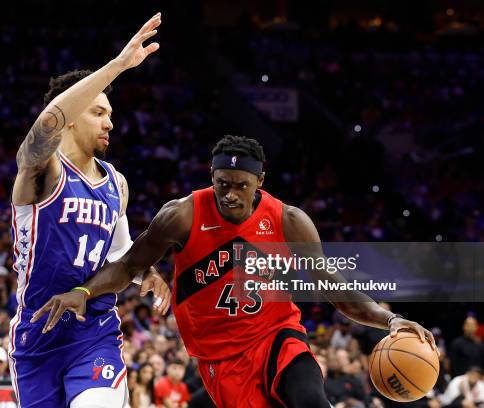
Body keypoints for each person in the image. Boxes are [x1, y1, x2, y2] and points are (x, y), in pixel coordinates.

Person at [35, 135, 439, 407]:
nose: (229, 193)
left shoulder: (289, 222)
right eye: (222, 183)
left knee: (311, 400)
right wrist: (85, 292)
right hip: (218, 358)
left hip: (276, 336)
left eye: (241, 185)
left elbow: (335, 289)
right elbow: (129, 266)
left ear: (260, 180)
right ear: (211, 177)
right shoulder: (181, 216)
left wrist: (392, 319)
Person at [12, 13, 170, 408]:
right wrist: (118, 65)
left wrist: (145, 273)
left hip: (93, 330)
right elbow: (46, 124)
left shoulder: (116, 183)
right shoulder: (41, 172)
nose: (109, 123)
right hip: (37, 336)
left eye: (111, 115)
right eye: (98, 112)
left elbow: (118, 251)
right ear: (71, 119)